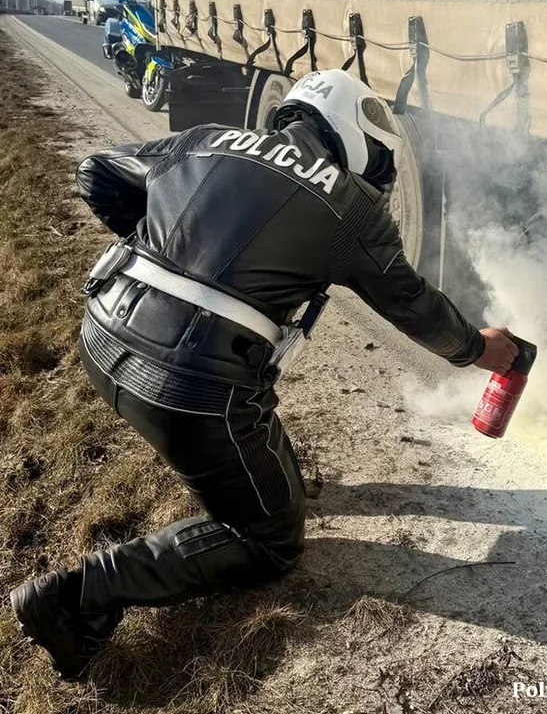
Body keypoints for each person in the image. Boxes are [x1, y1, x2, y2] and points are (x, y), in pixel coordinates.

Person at [11, 69, 518, 680]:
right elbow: (412, 306)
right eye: (378, 160)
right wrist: (477, 349)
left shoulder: (204, 138)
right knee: (269, 540)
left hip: (100, 338)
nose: (378, 177)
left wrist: (155, 254)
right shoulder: (349, 205)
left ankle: (245, 481)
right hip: (190, 390)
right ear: (353, 134)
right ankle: (75, 597)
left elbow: (95, 170)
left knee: (262, 454)